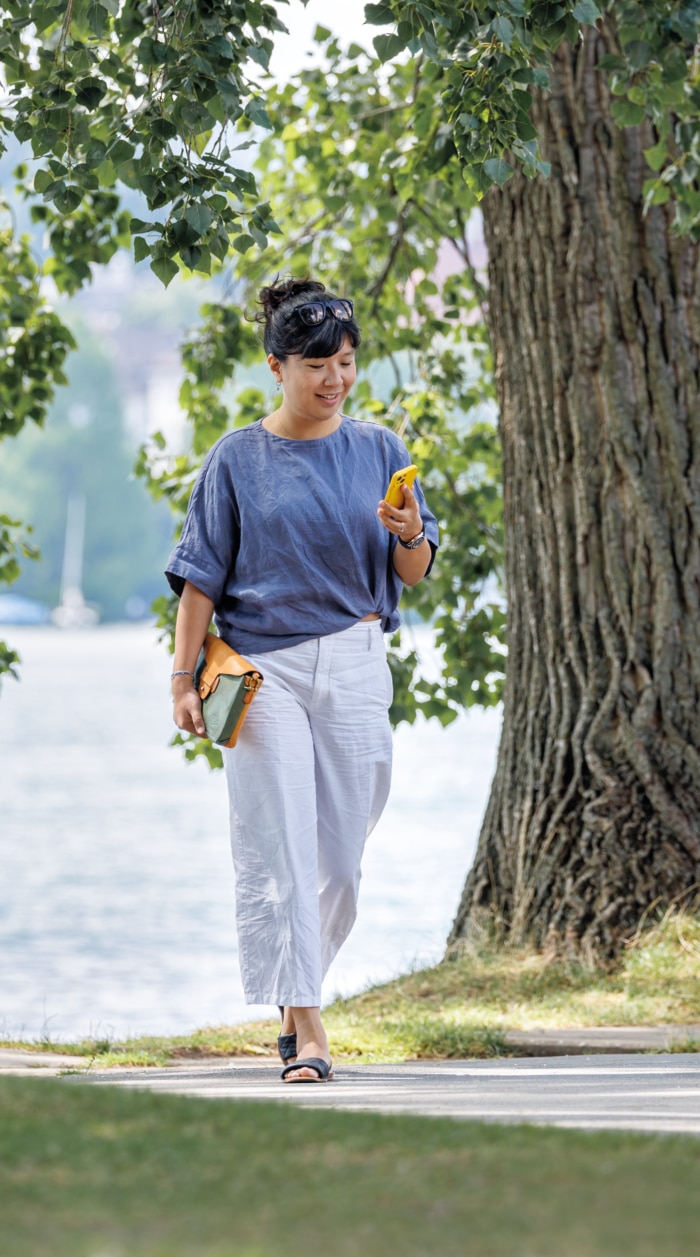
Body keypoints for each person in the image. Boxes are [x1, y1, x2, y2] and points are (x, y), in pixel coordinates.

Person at [165, 278, 438, 1084]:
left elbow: (414, 573)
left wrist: (409, 530)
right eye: (318, 363)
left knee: (342, 861)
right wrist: (183, 679)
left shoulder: (383, 450)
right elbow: (199, 583)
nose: (335, 379)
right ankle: (307, 1025)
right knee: (279, 841)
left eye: (347, 362)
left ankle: (294, 990)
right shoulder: (237, 459)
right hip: (264, 670)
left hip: (356, 661)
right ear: (277, 365)